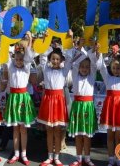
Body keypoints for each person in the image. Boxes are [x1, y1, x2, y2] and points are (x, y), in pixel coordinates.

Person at [89, 42, 120, 166]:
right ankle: (111, 158)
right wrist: (99, 52)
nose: (116, 70)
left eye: (118, 68)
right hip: (110, 109)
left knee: (119, 136)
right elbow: (102, 67)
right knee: (110, 136)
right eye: (113, 68)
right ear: (111, 68)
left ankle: (119, 158)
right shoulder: (108, 78)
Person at [37, 30, 73, 166]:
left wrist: (69, 39)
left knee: (57, 131)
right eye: (53, 59)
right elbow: (42, 56)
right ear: (51, 60)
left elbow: (69, 59)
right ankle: (49, 156)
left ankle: (56, 157)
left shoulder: (64, 71)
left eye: (58, 59)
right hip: (48, 101)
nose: (55, 61)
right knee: (49, 131)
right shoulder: (46, 69)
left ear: (61, 60)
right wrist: (47, 40)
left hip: (58, 101)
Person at [4, 31, 36, 165]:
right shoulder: (11, 67)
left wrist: (30, 40)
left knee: (23, 129)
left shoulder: (26, 68)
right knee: (15, 128)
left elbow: (29, 57)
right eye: (16, 59)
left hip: (23, 99)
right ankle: (16, 153)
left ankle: (24, 154)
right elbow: (5, 57)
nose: (19, 61)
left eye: (21, 59)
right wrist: (3, 39)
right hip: (13, 98)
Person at [68, 38, 98, 166]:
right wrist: (79, 48)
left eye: (87, 67)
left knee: (87, 135)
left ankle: (87, 158)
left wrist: (93, 48)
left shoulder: (92, 76)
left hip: (88, 107)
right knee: (78, 135)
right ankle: (79, 158)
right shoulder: (75, 75)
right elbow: (74, 64)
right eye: (82, 66)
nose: (84, 69)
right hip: (77, 106)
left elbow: (94, 65)